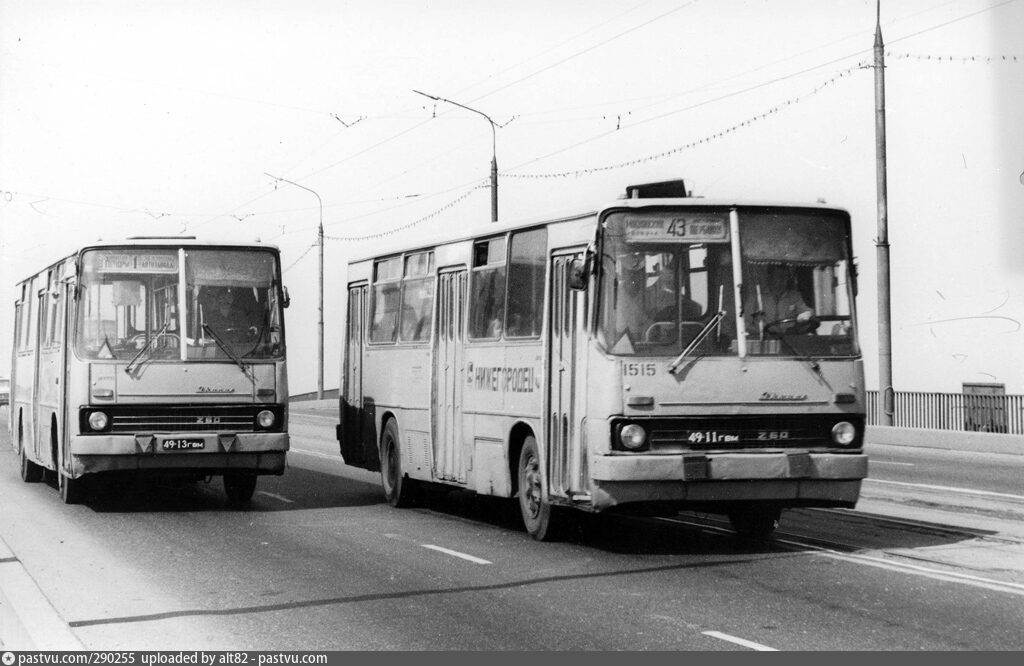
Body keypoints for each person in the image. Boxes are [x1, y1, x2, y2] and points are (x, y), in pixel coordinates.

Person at [745, 264, 814, 336]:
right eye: (779, 276)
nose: (783, 280)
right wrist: (760, 331)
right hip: (764, 340)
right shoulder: (755, 297)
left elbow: (807, 311)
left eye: (785, 277)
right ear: (770, 277)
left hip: (788, 339)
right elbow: (745, 323)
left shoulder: (794, 297)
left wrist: (807, 314)